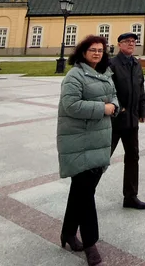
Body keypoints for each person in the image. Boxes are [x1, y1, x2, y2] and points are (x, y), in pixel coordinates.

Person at [57, 36, 118, 266]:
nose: (97, 53)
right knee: (86, 194)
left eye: (100, 50)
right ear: (83, 52)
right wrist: (104, 108)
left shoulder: (104, 73)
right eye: (92, 50)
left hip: (97, 140)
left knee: (80, 192)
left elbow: (114, 97)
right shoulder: (74, 75)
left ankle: (68, 233)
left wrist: (114, 106)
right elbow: (70, 105)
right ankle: (90, 244)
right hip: (79, 142)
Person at [109, 32, 145, 209]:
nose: (131, 44)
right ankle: (87, 193)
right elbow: (106, 90)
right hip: (115, 121)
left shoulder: (136, 63)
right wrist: (118, 107)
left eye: (133, 41)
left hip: (132, 120)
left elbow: (141, 88)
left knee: (133, 157)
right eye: (127, 41)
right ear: (119, 45)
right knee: (102, 158)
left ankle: (131, 196)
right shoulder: (112, 64)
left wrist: (142, 110)